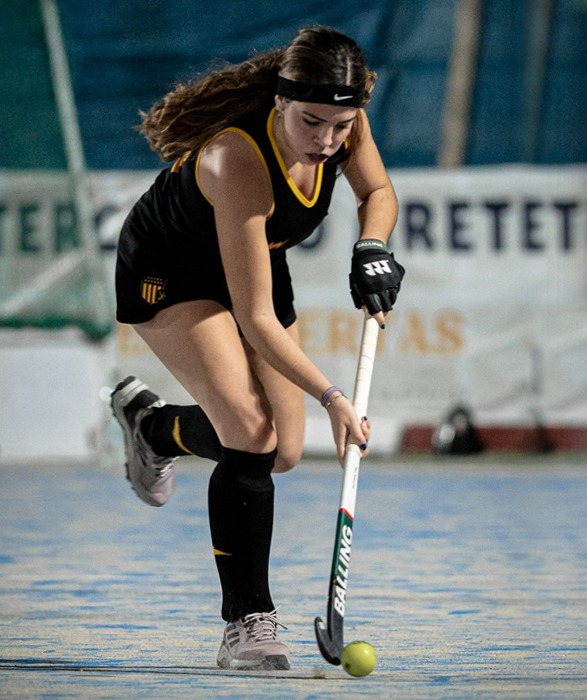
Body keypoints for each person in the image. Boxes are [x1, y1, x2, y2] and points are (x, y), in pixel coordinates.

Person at [108, 26, 403, 670]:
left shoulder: (344, 125)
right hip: (170, 269)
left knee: (283, 453)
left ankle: (154, 428)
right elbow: (257, 320)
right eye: (312, 122)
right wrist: (332, 396)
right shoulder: (236, 158)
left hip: (253, 261)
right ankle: (248, 622)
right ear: (279, 101)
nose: (328, 141)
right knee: (249, 434)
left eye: (341, 125)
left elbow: (377, 194)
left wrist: (372, 247)